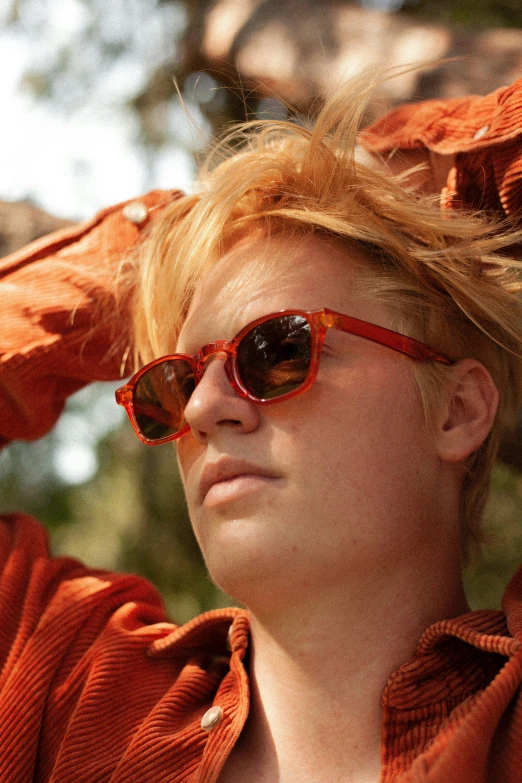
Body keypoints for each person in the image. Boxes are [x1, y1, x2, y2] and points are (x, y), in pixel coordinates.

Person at [2, 73, 522, 783]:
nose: (201, 408)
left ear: (457, 409)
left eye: (275, 350)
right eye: (175, 380)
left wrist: (380, 177)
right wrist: (157, 234)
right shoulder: (74, 704)